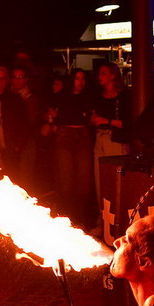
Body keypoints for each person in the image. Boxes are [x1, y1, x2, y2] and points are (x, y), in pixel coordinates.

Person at [54, 69, 94, 227]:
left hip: (82, 134)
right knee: (66, 179)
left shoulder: (88, 96)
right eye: (77, 78)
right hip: (65, 134)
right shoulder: (62, 95)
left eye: (83, 79)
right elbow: (53, 114)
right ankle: (69, 216)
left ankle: (80, 216)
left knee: (84, 180)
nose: (80, 82)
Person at [90, 61, 131, 215]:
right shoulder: (98, 96)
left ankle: (118, 217)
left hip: (115, 139)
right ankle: (103, 218)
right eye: (99, 74)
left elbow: (127, 122)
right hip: (100, 137)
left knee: (116, 180)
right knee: (100, 179)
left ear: (113, 75)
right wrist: (94, 119)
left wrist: (106, 121)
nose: (100, 77)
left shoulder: (123, 96)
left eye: (104, 73)